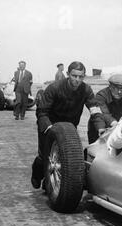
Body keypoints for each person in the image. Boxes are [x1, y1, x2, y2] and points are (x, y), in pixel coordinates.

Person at [31, 61, 103, 189]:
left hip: (70, 127)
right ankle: (37, 175)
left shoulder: (86, 89)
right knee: (44, 156)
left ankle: (51, 184)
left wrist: (100, 127)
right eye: (74, 76)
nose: (77, 80)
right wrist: (48, 127)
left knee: (68, 158)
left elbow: (94, 109)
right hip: (50, 125)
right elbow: (42, 111)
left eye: (81, 77)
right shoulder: (54, 88)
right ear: (68, 74)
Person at [87, 74, 122, 143]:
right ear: (110, 87)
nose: (119, 92)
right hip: (100, 129)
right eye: (116, 88)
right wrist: (118, 125)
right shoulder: (101, 95)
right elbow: (104, 114)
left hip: (120, 130)